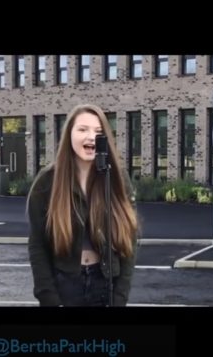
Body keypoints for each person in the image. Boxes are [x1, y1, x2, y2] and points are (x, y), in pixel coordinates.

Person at [27, 104, 138, 306]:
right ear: (69, 134)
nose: (90, 137)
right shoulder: (47, 182)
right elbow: (37, 244)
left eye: (98, 132)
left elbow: (130, 239)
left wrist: (120, 296)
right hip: (65, 285)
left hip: (105, 285)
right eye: (82, 129)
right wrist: (48, 297)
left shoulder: (116, 178)